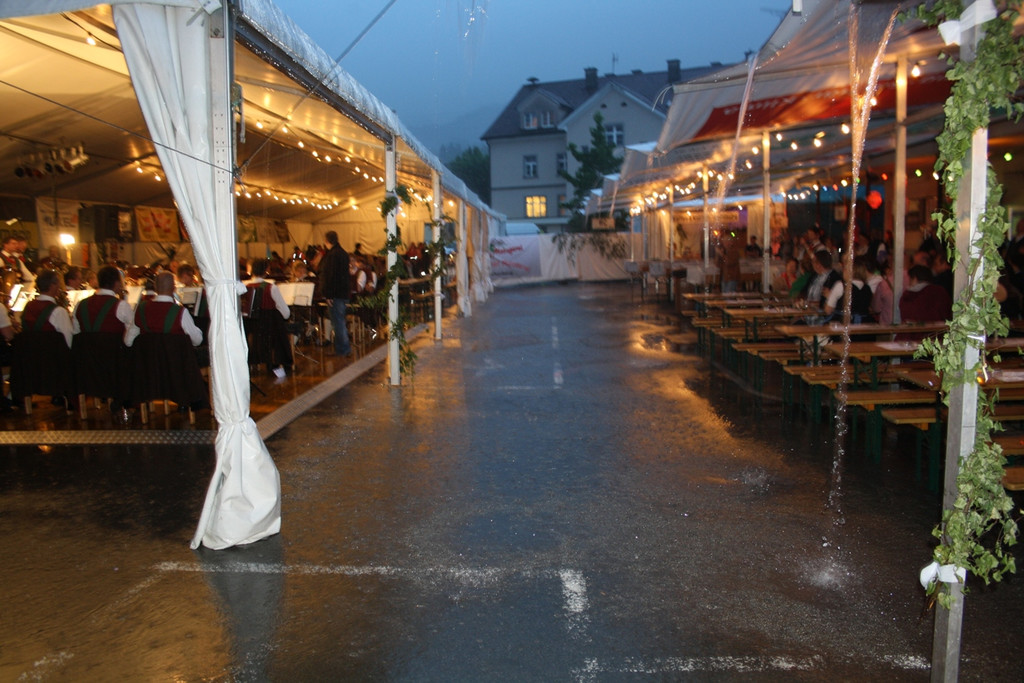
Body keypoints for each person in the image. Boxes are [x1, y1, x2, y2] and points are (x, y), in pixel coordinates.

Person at [130, 271, 203, 348]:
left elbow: (128, 341)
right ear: (174, 288)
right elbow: (197, 340)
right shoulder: (180, 312)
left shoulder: (141, 309)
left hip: (147, 359)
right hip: (174, 358)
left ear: (155, 288)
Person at [73, 265, 139, 345]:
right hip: (113, 355)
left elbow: (75, 333)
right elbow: (132, 335)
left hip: (85, 355)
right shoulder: (121, 305)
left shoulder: (80, 304)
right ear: (117, 283)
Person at [317, 230, 352, 356]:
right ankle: (342, 348)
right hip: (342, 292)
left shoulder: (332, 255)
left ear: (327, 241)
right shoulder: (343, 253)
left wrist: (328, 294)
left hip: (335, 294)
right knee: (339, 321)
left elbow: (330, 276)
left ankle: (343, 349)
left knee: (338, 322)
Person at [22, 269, 73, 348]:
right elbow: (69, 342)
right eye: (58, 283)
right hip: (53, 357)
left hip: (29, 357)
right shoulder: (59, 311)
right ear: (52, 285)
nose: (60, 286)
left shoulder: (27, 306)